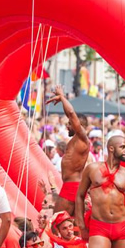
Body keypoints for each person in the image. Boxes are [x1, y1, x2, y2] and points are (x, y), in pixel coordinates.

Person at [46, 85, 90, 217]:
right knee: (74, 227)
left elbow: (71, 114)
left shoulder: (82, 137)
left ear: (78, 125)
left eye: (69, 124)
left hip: (72, 187)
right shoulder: (77, 139)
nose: (66, 126)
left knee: (56, 223)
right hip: (74, 186)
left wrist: (62, 97)